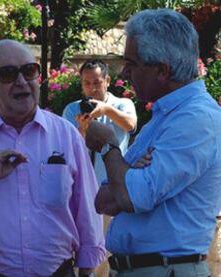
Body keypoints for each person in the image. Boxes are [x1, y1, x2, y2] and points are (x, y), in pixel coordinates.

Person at [0, 39, 105, 277]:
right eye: (7, 74)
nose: (21, 81)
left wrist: (87, 270)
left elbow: (87, 208)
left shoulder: (66, 136)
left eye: (29, 71)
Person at [83, 9, 221, 277]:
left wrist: (110, 147)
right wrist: (131, 175)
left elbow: (132, 197)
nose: (125, 71)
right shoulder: (166, 116)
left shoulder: (196, 119)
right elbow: (103, 200)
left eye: (132, 63)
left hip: (165, 270)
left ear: (162, 70)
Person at [63, 59, 137, 185]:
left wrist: (107, 110)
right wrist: (82, 129)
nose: (92, 88)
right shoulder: (72, 110)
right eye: (87, 83)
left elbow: (131, 125)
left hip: (115, 182)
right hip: (82, 184)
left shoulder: (122, 104)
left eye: (97, 83)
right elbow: (67, 147)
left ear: (107, 81)